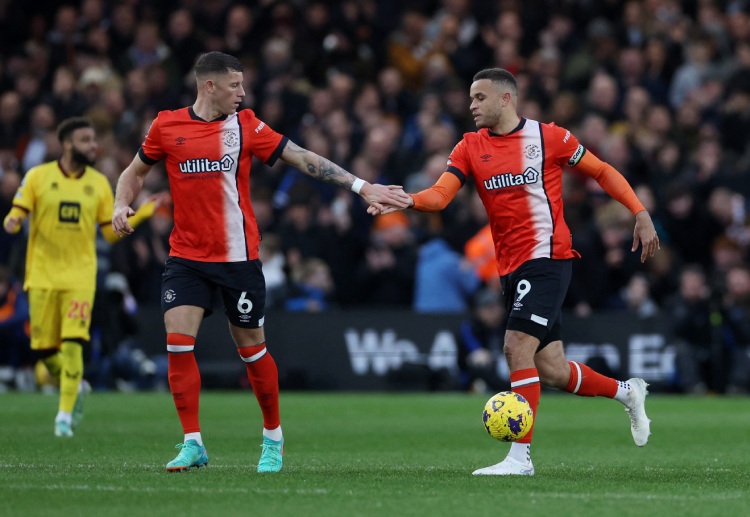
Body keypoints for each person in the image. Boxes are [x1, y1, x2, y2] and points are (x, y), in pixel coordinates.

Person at [111, 52, 411, 474]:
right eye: (235, 85)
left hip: (239, 258)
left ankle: (273, 439)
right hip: (187, 257)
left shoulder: (247, 125)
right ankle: (192, 442)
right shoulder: (167, 125)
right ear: (209, 86)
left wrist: (361, 186)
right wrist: (121, 203)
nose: (243, 93)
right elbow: (134, 171)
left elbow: (305, 158)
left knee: (252, 351)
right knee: (178, 346)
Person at [371, 68, 660, 476]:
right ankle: (628, 392)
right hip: (511, 266)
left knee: (515, 346)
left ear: (506, 99)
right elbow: (439, 197)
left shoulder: (550, 137)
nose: (471, 106)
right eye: (471, 98)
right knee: (553, 370)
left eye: (479, 98)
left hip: (547, 257)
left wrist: (639, 211)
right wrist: (406, 201)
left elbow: (601, 171)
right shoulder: (469, 146)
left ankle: (519, 458)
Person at [3, 117, 160, 437]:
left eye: (94, 139)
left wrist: (140, 214)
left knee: (74, 343)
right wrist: (13, 219)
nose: (93, 145)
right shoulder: (38, 177)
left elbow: (108, 232)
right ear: (67, 144)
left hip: (80, 278)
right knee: (45, 351)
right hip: (43, 277)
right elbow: (19, 207)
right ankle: (73, 385)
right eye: (86, 140)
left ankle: (64, 415)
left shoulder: (99, 184)